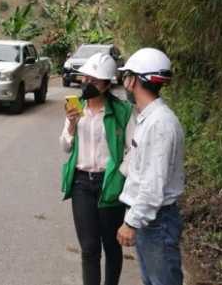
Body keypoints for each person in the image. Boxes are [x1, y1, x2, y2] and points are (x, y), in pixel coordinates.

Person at [60, 53, 135, 285]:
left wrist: (119, 174)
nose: (87, 84)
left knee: (112, 247)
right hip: (82, 183)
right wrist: (71, 125)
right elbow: (65, 146)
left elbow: (133, 150)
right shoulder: (76, 109)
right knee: (89, 248)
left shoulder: (123, 111)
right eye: (86, 78)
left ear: (106, 84)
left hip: (109, 183)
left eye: (94, 81)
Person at [116, 48, 185, 285]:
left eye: (127, 76)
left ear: (134, 80)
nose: (124, 82)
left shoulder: (160, 124)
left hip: (157, 222)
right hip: (151, 220)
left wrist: (131, 222)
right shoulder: (147, 118)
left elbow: (153, 184)